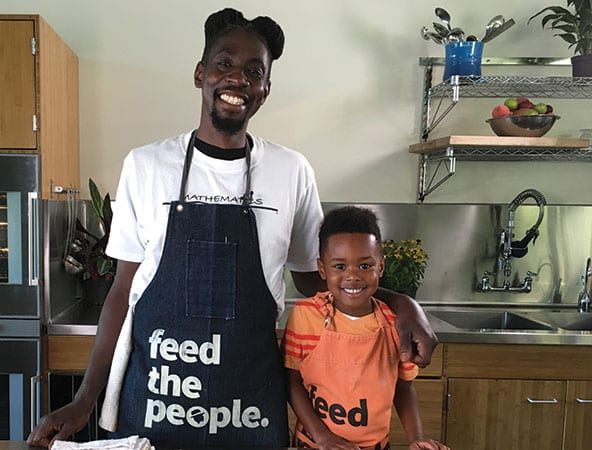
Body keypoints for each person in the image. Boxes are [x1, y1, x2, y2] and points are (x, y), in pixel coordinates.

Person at [28, 8, 437, 448]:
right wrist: (85, 399)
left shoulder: (290, 171)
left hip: (249, 404)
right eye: (224, 63)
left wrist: (403, 303)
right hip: (158, 401)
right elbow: (122, 292)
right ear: (200, 73)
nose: (237, 78)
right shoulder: (146, 166)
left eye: (253, 71)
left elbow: (317, 279)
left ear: (265, 90)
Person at [284, 206, 448, 450]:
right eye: (340, 266)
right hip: (315, 444)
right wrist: (323, 437)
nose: (353, 276)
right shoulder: (305, 316)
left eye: (364, 266)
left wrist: (416, 437)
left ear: (380, 267)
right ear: (322, 269)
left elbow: (403, 386)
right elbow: (291, 381)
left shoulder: (397, 324)